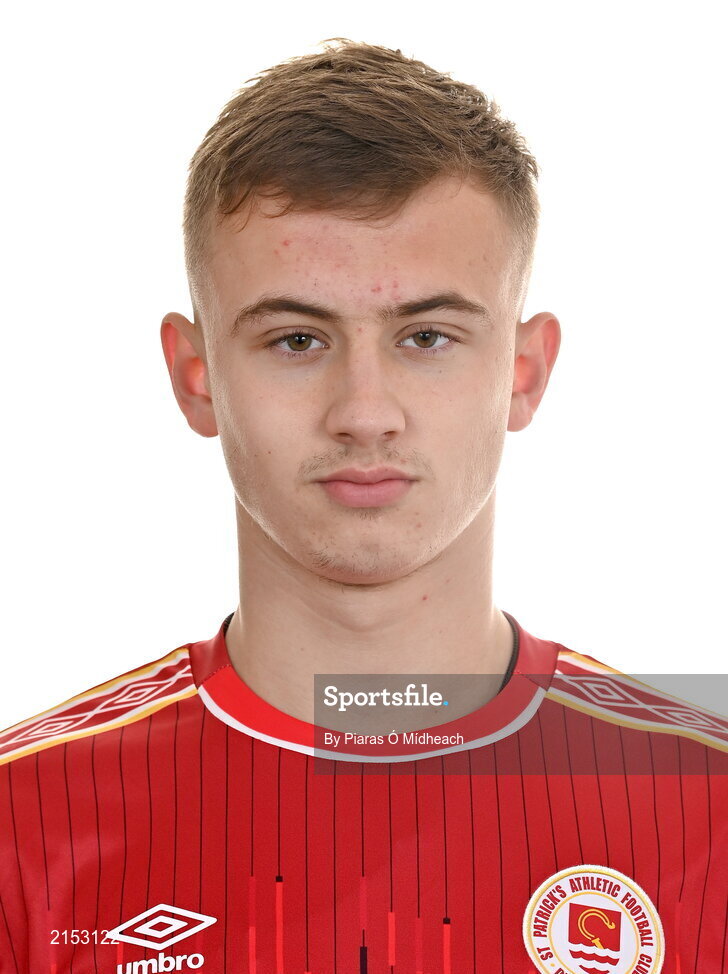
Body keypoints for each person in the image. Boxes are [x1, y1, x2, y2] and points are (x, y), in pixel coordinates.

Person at [0, 38, 725, 974]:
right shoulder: (25, 829)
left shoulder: (705, 807)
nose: (364, 414)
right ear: (196, 378)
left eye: (427, 335)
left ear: (524, 370)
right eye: (298, 339)